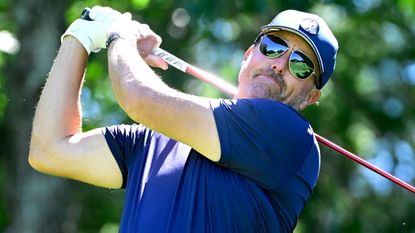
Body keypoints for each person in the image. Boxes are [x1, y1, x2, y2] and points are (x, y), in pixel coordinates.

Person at [28, 6, 338, 233]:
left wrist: (119, 37)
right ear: (249, 54)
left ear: (310, 97)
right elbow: (50, 149)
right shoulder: (153, 138)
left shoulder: (292, 136)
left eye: (300, 65)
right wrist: (79, 36)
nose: (280, 65)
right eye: (273, 47)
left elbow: (139, 98)